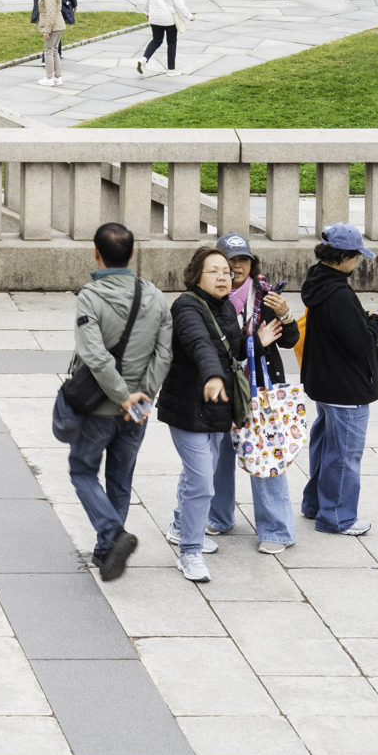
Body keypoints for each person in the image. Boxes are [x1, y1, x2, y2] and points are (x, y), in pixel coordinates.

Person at [67, 224, 171, 582]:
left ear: (96, 254)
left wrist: (122, 397)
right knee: (120, 479)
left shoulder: (90, 297)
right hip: (137, 411)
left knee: (82, 471)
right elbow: (164, 353)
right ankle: (106, 551)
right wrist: (141, 398)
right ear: (131, 254)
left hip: (100, 408)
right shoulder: (156, 296)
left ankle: (111, 536)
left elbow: (94, 356)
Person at [157, 245, 256, 583]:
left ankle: (179, 526)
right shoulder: (186, 307)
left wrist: (259, 340)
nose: (223, 276)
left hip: (218, 407)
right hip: (188, 407)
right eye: (214, 271)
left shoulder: (226, 307)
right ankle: (190, 552)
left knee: (198, 475)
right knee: (202, 482)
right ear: (196, 276)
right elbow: (200, 344)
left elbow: (230, 347)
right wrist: (213, 375)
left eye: (227, 272)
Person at [206, 232, 300, 554]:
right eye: (230, 262)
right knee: (218, 458)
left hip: (258, 390)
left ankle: (276, 529)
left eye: (243, 260)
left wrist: (286, 314)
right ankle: (218, 517)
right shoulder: (206, 299)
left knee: (265, 454)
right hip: (220, 387)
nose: (236, 268)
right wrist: (253, 342)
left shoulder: (265, 296)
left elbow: (287, 340)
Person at [299, 223, 378, 534]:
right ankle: (337, 517)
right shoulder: (339, 293)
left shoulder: (316, 280)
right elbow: (360, 344)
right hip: (345, 387)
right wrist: (376, 321)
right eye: (355, 257)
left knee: (324, 445)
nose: (357, 263)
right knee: (345, 455)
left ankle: (314, 505)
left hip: (322, 383)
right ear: (342, 257)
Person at [135, 0, 194, 76]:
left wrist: (147, 13)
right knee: (171, 42)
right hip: (169, 19)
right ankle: (171, 70)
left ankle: (144, 59)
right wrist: (189, 16)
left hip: (155, 17)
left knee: (156, 40)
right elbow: (179, 3)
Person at [36, 0, 68, 86]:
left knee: (49, 51)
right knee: (54, 51)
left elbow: (50, 13)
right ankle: (57, 77)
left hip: (53, 26)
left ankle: (49, 78)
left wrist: (46, 30)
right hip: (58, 25)